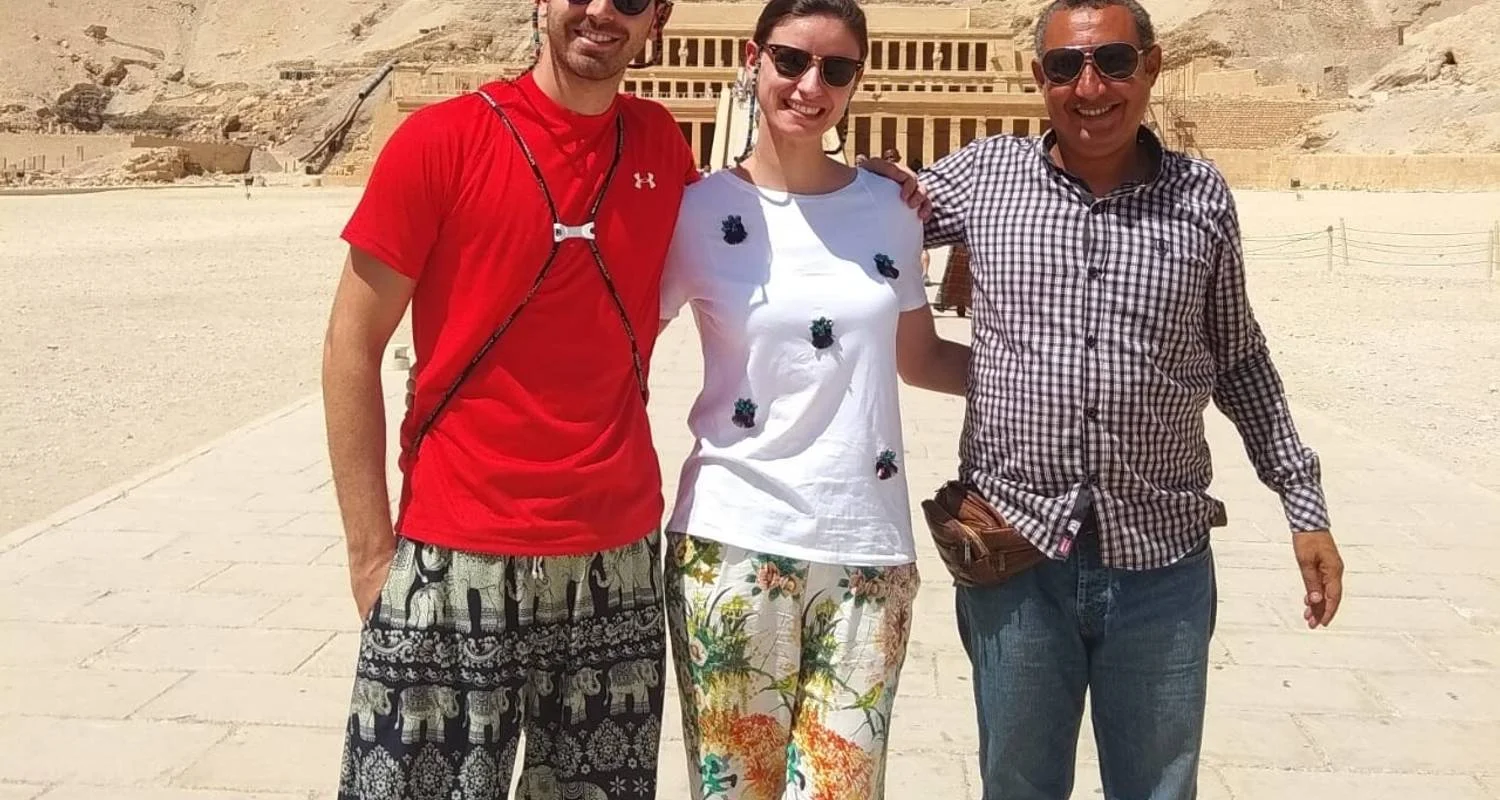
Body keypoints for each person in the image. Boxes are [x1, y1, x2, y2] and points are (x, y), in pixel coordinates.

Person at [913, 0, 1348, 797]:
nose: (1090, 88)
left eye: (1113, 62)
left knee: (1158, 787)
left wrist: (1303, 502)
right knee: (1017, 786)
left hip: (1160, 560)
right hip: (1016, 551)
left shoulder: (1200, 197)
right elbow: (857, 218)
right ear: (1038, 76)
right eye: (1065, 67)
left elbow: (1239, 357)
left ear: (1151, 66)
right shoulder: (986, 176)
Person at [321, 0, 696, 795]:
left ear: (657, 19)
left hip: (617, 561)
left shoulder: (660, 142)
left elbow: (764, 220)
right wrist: (370, 556)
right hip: (456, 551)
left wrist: (876, 188)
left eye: (631, 0)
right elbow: (350, 346)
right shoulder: (441, 140)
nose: (602, 11)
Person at [657, 1, 969, 798]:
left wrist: (1053, 379)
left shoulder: (893, 209)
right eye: (791, 60)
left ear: (858, 79)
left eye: (836, 68)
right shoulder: (695, 212)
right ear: (753, 59)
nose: (810, 85)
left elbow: (921, 358)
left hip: (869, 546)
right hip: (733, 541)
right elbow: (615, 351)